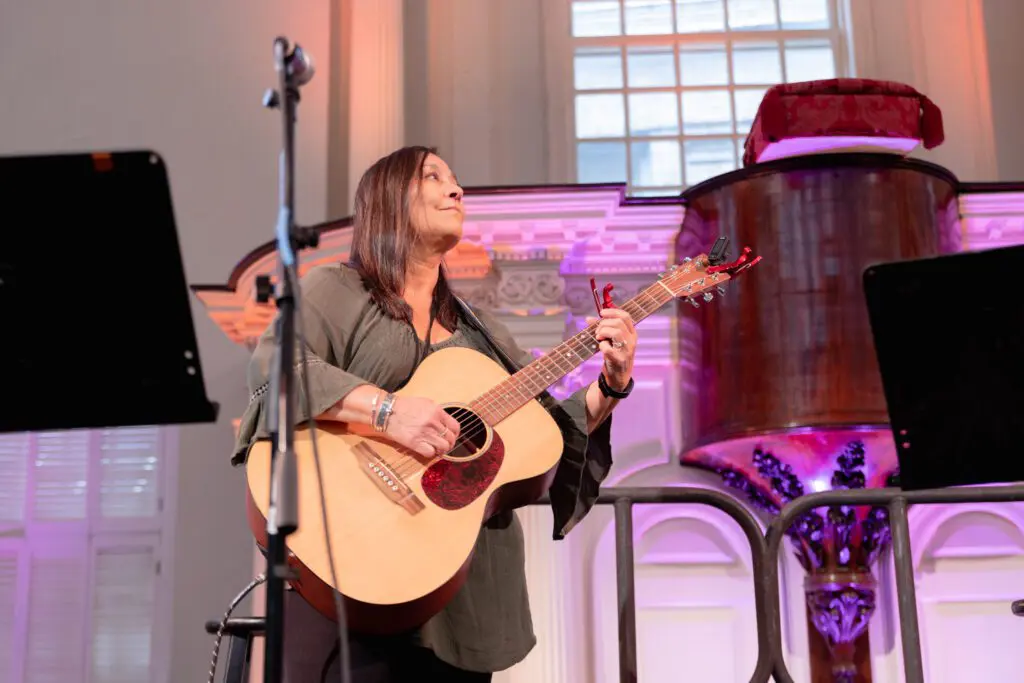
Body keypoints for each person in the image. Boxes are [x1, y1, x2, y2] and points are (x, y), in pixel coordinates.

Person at [232, 146, 638, 683]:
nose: (456, 189)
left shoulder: (484, 335)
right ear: (388, 199)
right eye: (433, 176)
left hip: (459, 596)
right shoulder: (336, 290)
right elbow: (277, 370)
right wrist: (386, 411)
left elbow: (550, 433)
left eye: (455, 179)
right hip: (347, 572)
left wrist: (612, 384)